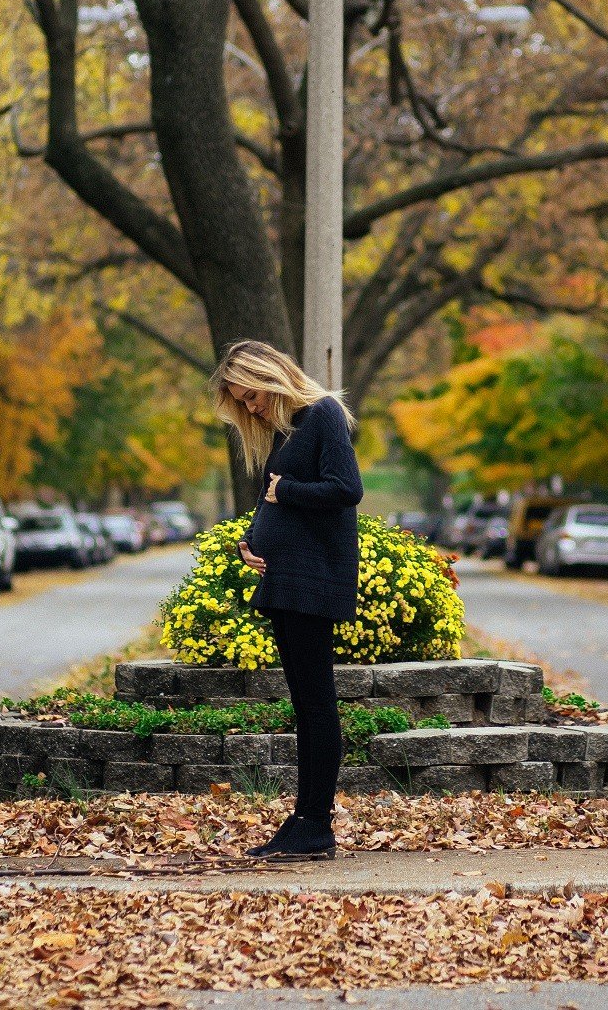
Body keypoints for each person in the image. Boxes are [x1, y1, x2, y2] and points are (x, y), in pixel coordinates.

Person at [212, 340, 364, 860]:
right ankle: (304, 820)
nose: (251, 408)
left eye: (251, 396)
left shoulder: (321, 415)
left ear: (271, 377)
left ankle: (315, 824)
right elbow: (273, 496)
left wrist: (287, 495)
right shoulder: (286, 432)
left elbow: (347, 489)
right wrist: (252, 541)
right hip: (287, 578)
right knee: (305, 703)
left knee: (316, 704)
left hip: (313, 580)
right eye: (243, 403)